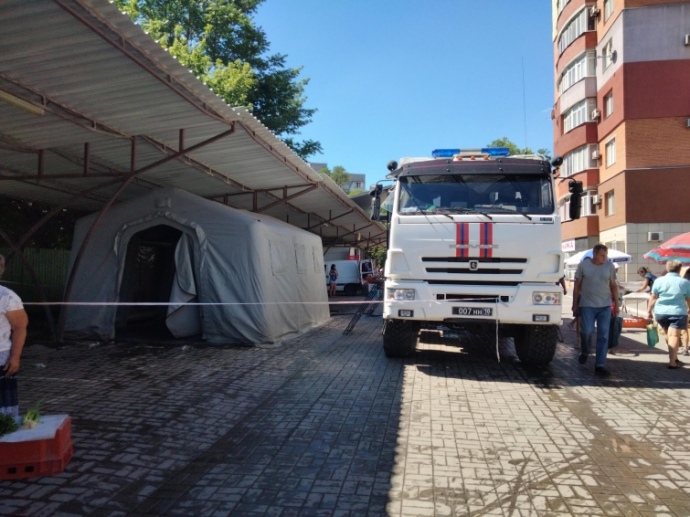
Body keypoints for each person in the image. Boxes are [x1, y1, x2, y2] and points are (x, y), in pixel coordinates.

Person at [572, 243, 619, 375]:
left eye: (606, 255)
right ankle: (585, 351)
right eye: (602, 255)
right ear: (595, 254)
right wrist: (575, 303)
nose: (605, 258)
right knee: (587, 331)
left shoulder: (609, 266)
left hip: (605, 305)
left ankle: (600, 365)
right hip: (587, 305)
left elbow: (613, 285)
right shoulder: (583, 266)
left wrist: (617, 304)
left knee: (603, 335)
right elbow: (577, 286)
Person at [0, 254, 29, 417]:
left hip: (1, 357)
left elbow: (20, 327)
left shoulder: (7, 297)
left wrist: (15, 357)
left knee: (3, 417)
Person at [647, 260, 690, 369]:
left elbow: (653, 297)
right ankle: (672, 362)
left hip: (661, 312)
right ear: (679, 269)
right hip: (678, 312)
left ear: (667, 268)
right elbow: (688, 298)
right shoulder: (685, 282)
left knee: (668, 334)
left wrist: (649, 311)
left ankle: (673, 356)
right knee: (674, 335)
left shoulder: (658, 281)